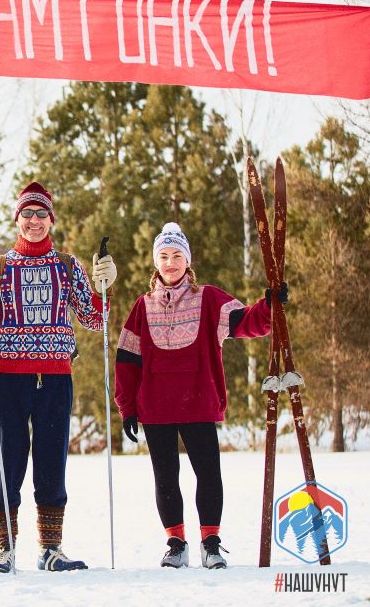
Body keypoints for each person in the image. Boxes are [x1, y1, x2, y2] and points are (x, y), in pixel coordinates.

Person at [0, 181, 117, 573]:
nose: (33, 221)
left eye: (40, 214)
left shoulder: (67, 266)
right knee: (8, 463)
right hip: (8, 379)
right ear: (16, 219)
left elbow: (93, 319)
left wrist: (105, 287)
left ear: (51, 219)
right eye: (27, 214)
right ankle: (4, 548)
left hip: (54, 377)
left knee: (51, 462)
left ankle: (50, 548)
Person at [113, 222, 281, 569]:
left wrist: (269, 305)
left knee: (208, 474)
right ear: (155, 262)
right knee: (165, 476)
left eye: (176, 256)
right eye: (164, 256)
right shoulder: (142, 307)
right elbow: (127, 362)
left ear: (187, 261)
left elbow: (250, 322)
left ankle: (211, 542)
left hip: (199, 401)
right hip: (156, 407)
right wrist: (127, 408)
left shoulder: (208, 298)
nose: (170, 262)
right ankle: (176, 543)